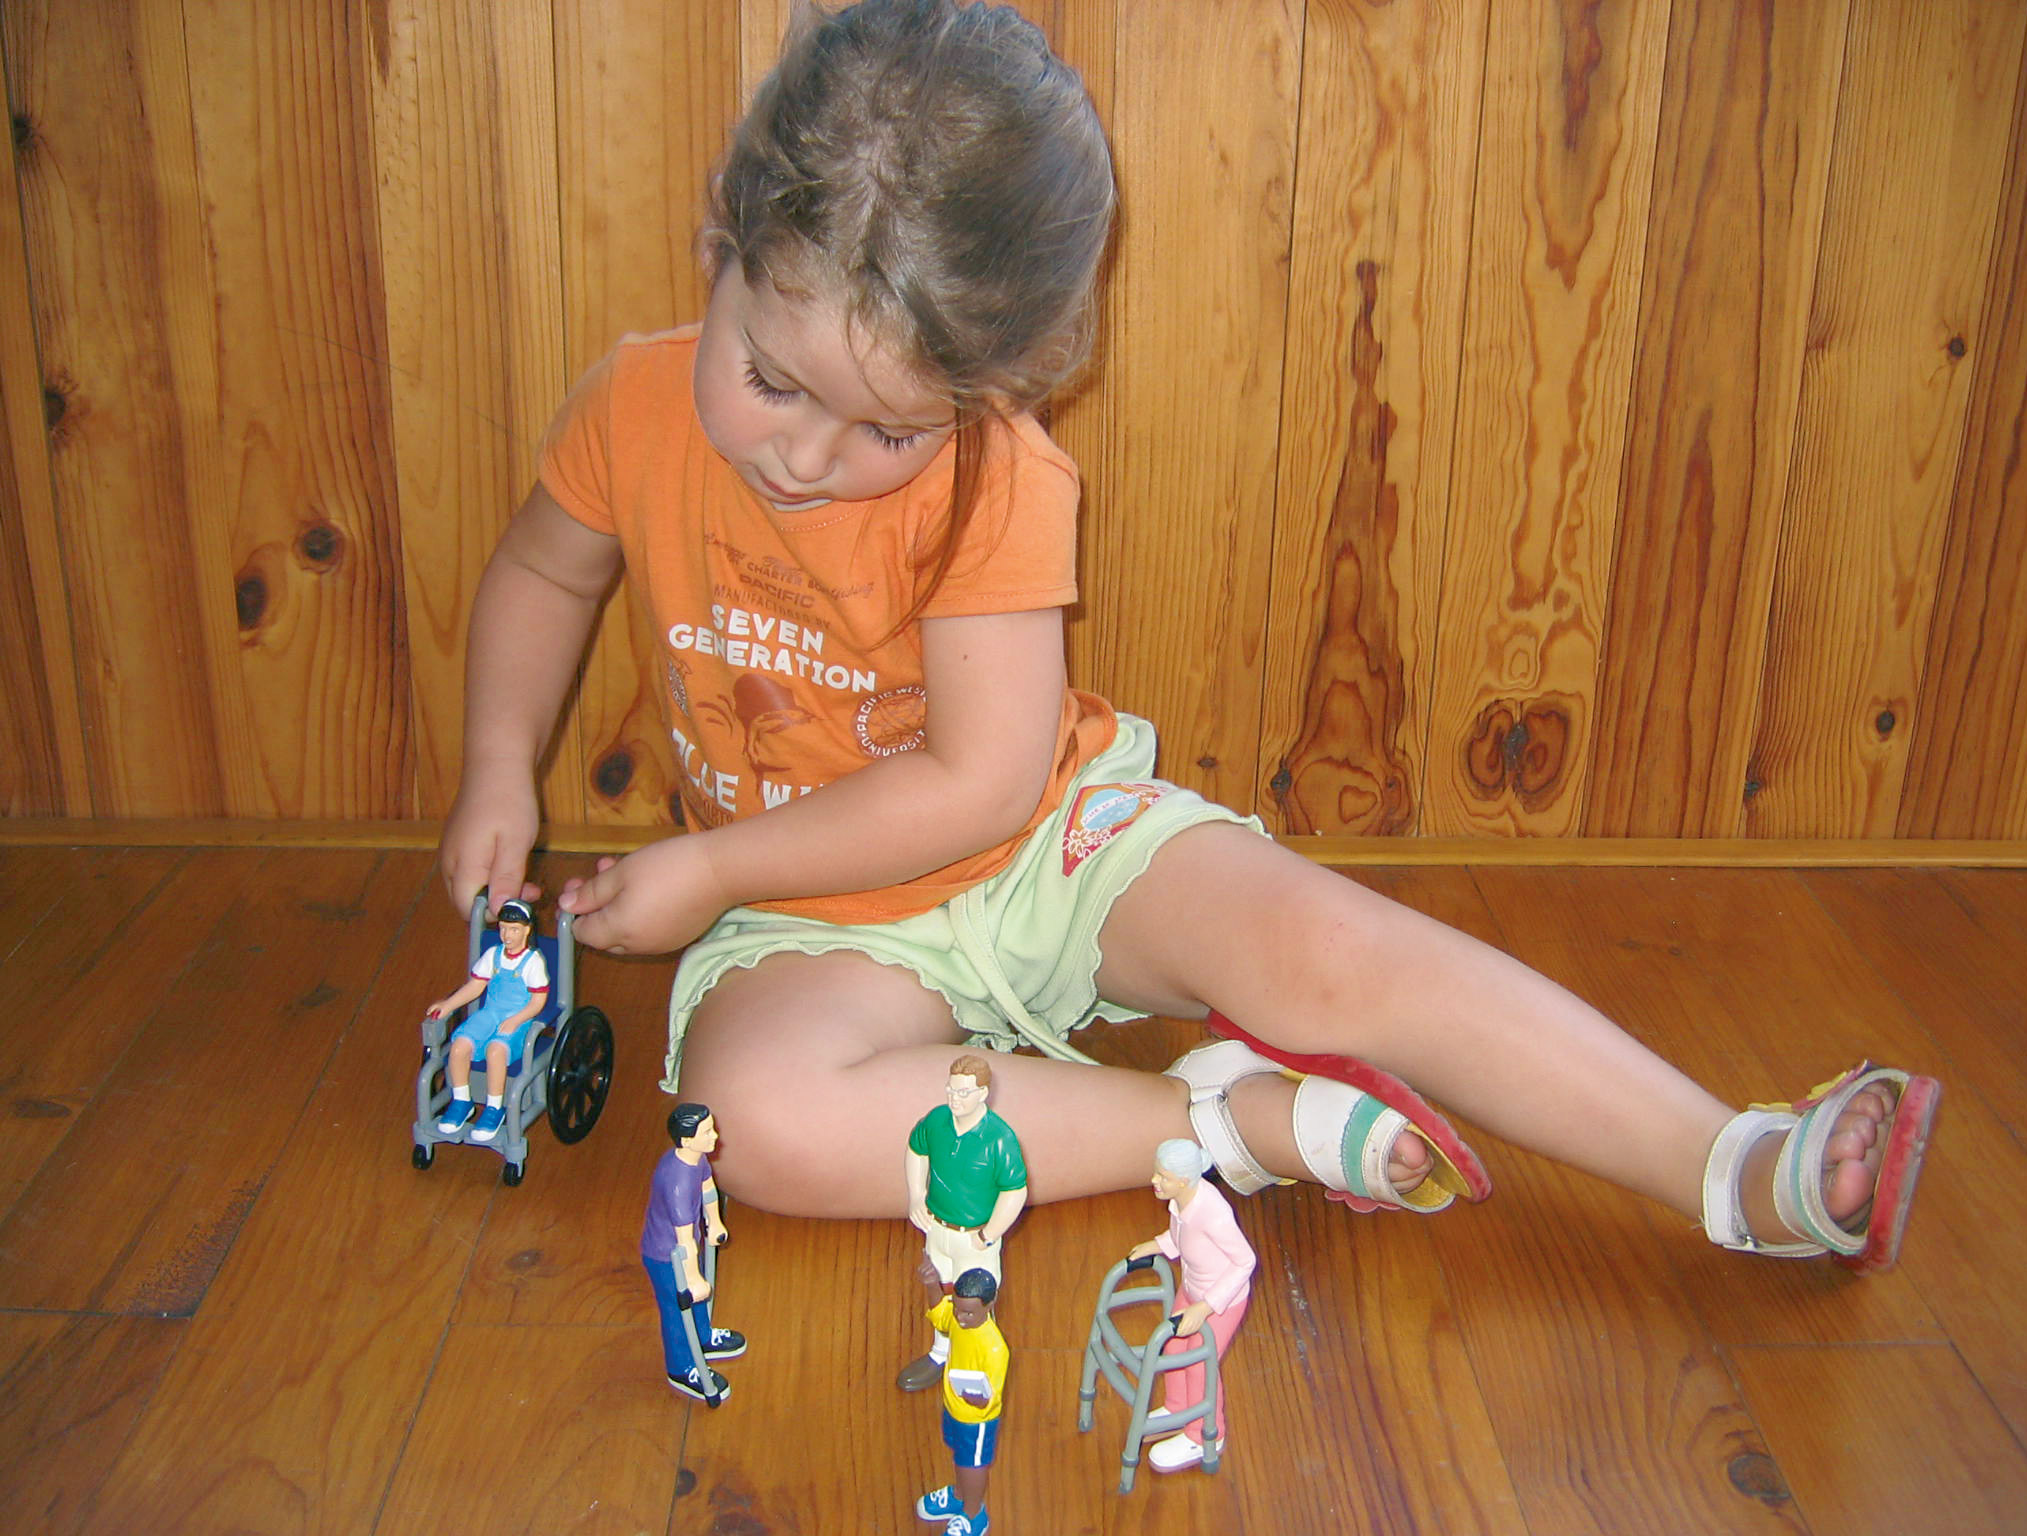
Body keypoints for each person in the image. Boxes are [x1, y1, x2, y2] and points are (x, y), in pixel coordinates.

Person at [437, 0, 1938, 1295]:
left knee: (1324, 946)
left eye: (887, 427)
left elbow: (978, 785)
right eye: (771, 381)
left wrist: (698, 871)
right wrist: (500, 766)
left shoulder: (1001, 474)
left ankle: (1732, 1165)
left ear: (984, 390)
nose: (809, 459)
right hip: (809, 917)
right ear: (722, 242)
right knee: (752, 1122)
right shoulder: (627, 408)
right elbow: (538, 573)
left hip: (1042, 845)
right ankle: (1225, 1130)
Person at [902, 1054, 1027, 1391]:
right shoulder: (937, 1121)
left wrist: (990, 1233)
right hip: (938, 1229)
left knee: (973, 1303)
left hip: (975, 1238)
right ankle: (941, 1352)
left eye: (963, 1093)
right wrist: (916, 1195)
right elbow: (916, 1150)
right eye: (951, 1091)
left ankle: (980, 1363)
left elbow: (1015, 1190)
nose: (955, 1100)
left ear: (983, 1093)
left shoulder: (999, 1138)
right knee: (939, 1293)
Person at [1128, 1139, 1254, 1473]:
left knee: (1200, 1363)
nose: (1155, 1180)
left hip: (1219, 1301)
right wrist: (1157, 1244)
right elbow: (1182, 1238)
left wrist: (1206, 1308)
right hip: (1193, 1288)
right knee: (1172, 1346)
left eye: (1163, 1176)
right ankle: (1178, 1407)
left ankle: (1204, 1435)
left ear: (1183, 1180)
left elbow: (1245, 1261)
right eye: (1157, 1172)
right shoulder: (1179, 1202)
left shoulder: (1211, 1212)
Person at [640, 1102, 747, 1403]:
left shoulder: (696, 1159)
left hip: (690, 1245)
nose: (715, 1136)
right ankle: (682, 1367)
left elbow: (709, 1188)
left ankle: (702, 1336)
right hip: (667, 1256)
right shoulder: (676, 1181)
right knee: (677, 1308)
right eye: (707, 1132)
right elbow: (682, 1236)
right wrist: (692, 1277)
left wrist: (714, 1222)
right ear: (686, 1139)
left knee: (698, 1302)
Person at [428, 898, 549, 1143]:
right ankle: (462, 1102)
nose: (507, 935)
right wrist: (448, 1005)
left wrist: (517, 1020)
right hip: (490, 1013)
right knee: (460, 1044)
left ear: (527, 930)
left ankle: (495, 1107)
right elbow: (475, 986)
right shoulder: (493, 955)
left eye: (514, 930)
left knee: (496, 1051)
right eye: (503, 928)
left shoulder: (532, 962)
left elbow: (537, 1002)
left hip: (518, 1018)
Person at [914, 1260, 1006, 1536]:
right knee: (959, 1458)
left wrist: (978, 1400)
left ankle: (974, 1514)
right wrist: (932, 1286)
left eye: (968, 1312)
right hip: (953, 1407)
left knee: (973, 1464)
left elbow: (992, 1396)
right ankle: (959, 1494)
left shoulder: (994, 1348)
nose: (960, 1317)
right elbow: (938, 1314)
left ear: (989, 1306)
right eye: (958, 1308)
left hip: (976, 1421)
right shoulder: (956, 1319)